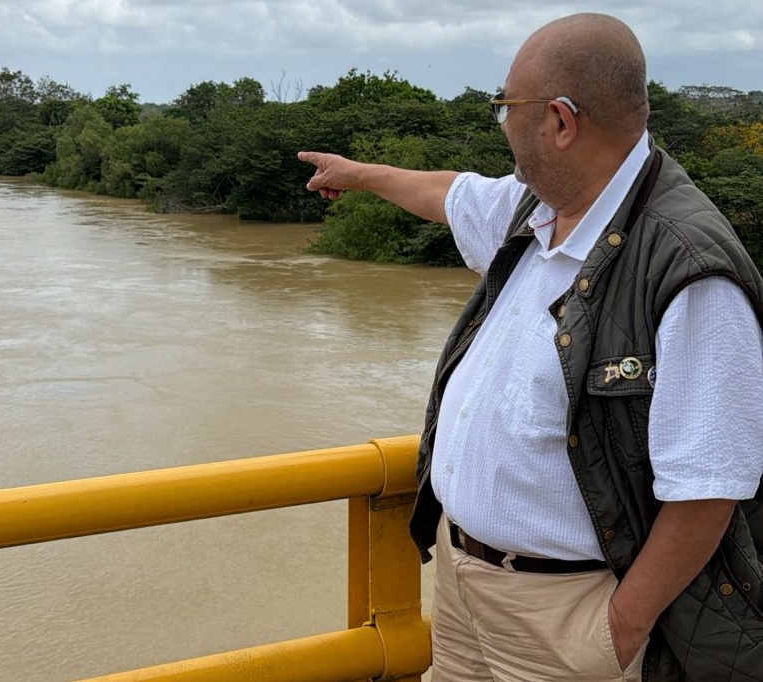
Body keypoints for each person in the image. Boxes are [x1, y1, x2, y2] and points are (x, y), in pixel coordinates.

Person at [299, 12, 763, 682]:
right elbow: (448, 193)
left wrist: (613, 634)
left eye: (503, 107)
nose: (501, 122)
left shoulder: (685, 271)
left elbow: (708, 492)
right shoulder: (540, 213)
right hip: (464, 590)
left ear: (560, 121)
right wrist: (362, 173)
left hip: (569, 615)